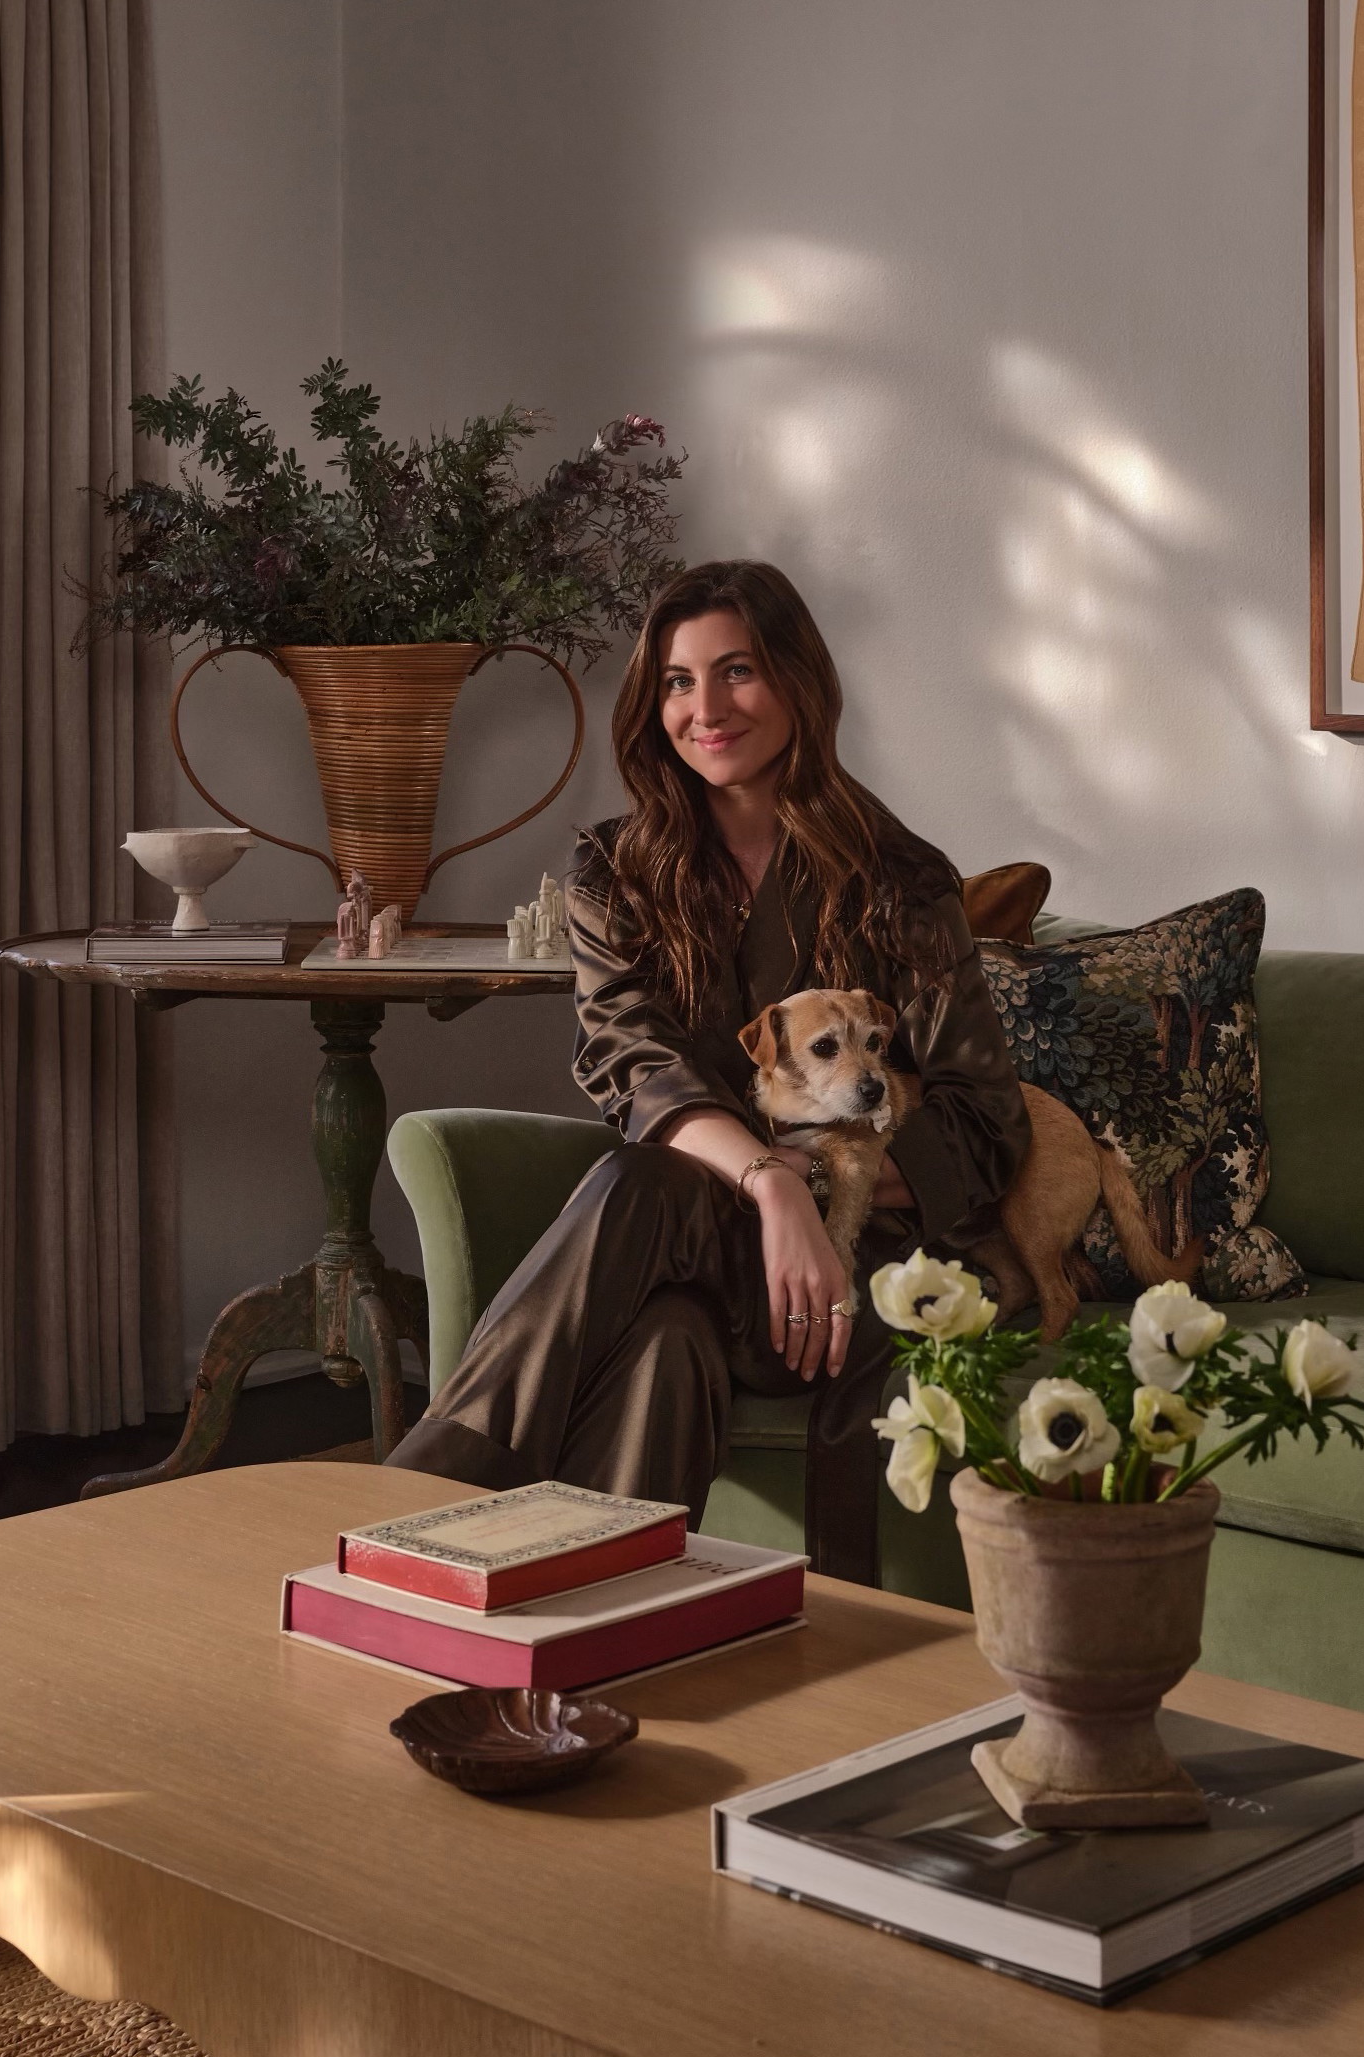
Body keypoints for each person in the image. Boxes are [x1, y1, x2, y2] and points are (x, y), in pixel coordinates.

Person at [383, 561, 1031, 1581]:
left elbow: (987, 1124)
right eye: (679, 682)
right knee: (666, 1341)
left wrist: (818, 1182)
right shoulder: (616, 872)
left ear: (798, 685)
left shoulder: (902, 881)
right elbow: (630, 1063)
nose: (706, 708)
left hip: (840, 1280)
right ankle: (590, 1630)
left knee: (642, 1186)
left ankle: (414, 1507)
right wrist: (769, 1182)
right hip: (694, 1255)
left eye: (738, 672)